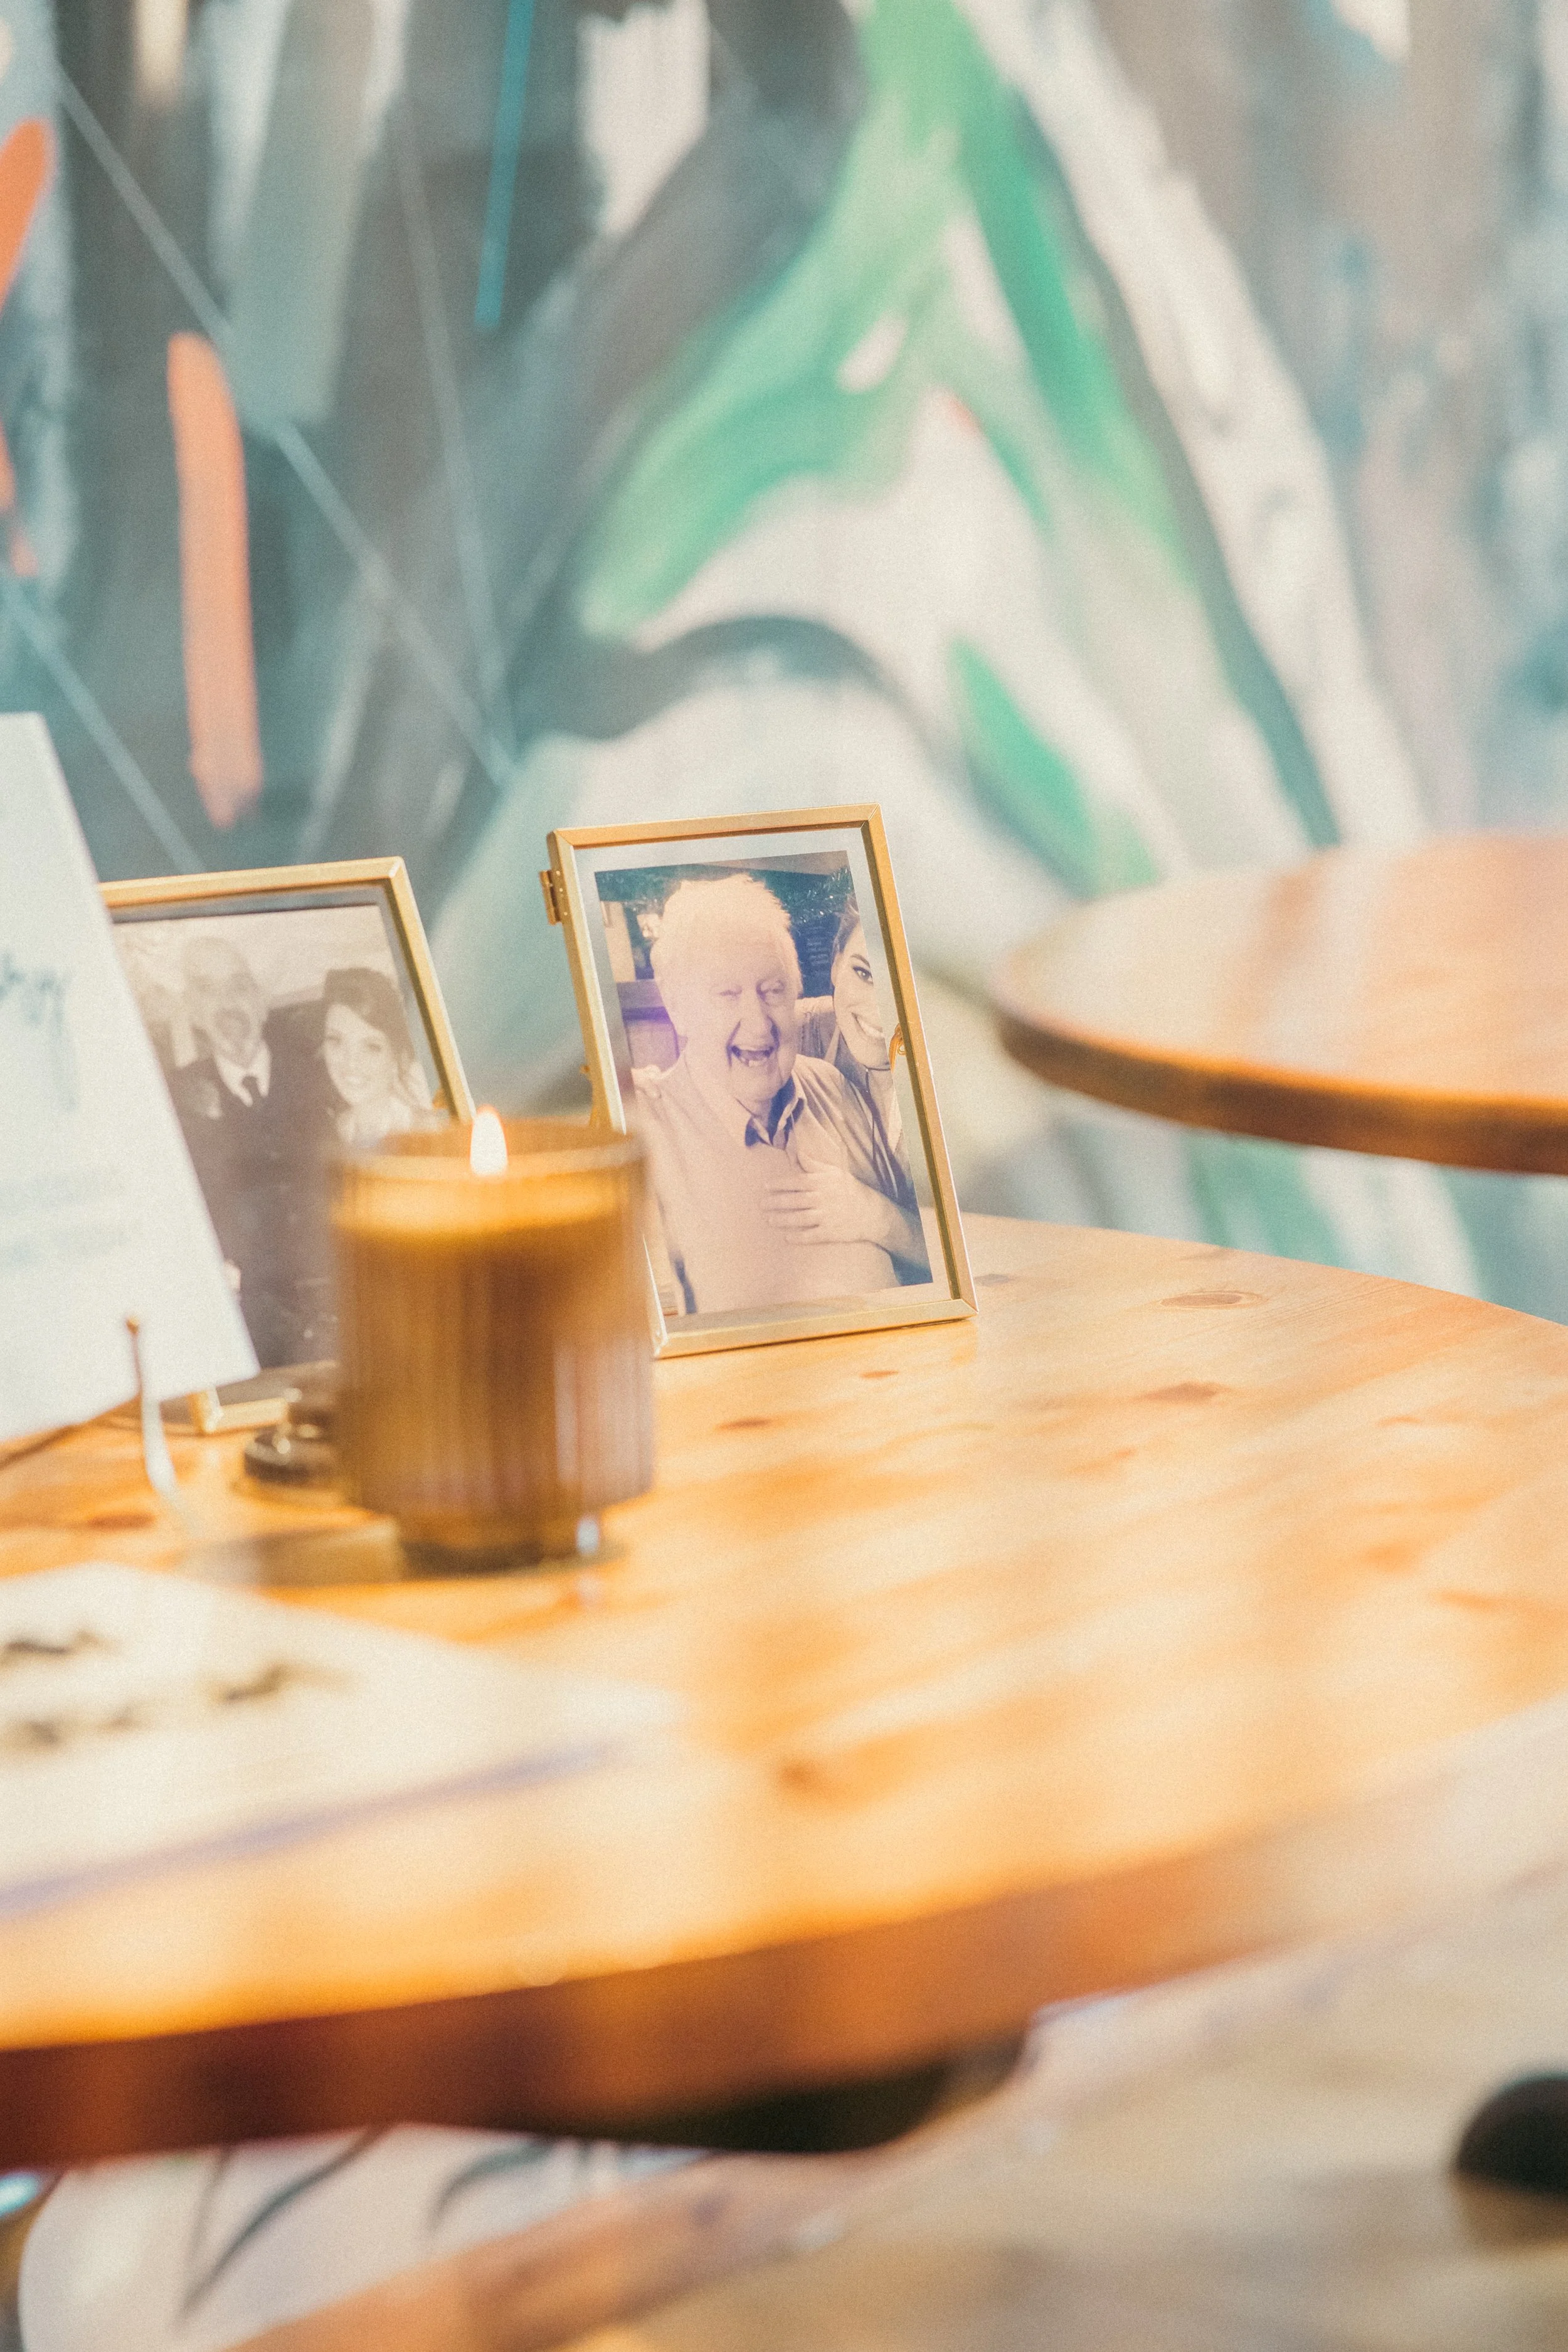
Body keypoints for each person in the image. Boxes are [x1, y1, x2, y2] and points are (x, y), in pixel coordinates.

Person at [630, 874, 926, 1316]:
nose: (759, 1023)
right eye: (727, 994)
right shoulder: (643, 1126)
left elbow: (934, 1268)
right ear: (677, 1008)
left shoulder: (834, 1087)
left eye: (773, 991)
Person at [169, 935, 334, 1369]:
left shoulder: (323, 1075)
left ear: (262, 1000)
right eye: (207, 989)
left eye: (239, 985)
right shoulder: (170, 1098)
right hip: (238, 1327)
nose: (226, 1003)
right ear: (192, 1009)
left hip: (337, 1302)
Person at [797, 901, 926, 1256]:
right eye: (864, 974)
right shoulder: (797, 1031)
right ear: (837, 963)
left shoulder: (957, 1081)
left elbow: (974, 1256)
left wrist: (876, 1217)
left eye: (905, 991)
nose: (880, 1011)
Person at [319, 967, 440, 1147]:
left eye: (371, 1047)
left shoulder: (431, 1132)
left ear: (397, 1058)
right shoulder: (334, 1132)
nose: (351, 1062)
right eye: (336, 1040)